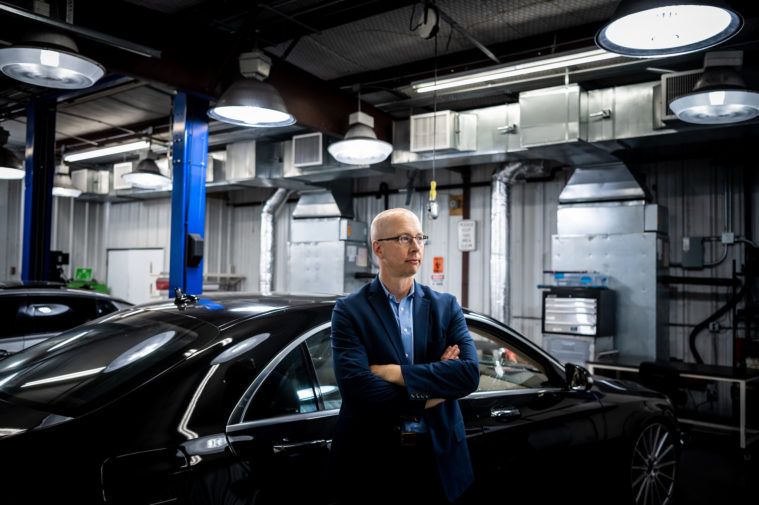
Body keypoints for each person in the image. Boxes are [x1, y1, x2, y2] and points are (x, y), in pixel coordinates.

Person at [328, 208, 480, 504]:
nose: (416, 247)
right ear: (378, 248)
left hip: (439, 455)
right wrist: (438, 388)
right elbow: (358, 390)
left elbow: (469, 375)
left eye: (420, 238)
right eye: (403, 238)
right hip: (374, 458)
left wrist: (395, 374)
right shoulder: (350, 310)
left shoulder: (445, 306)